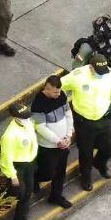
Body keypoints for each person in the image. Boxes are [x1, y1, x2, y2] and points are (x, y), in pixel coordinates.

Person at [60, 54, 111, 192]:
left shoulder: (109, 74)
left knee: (110, 147)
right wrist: (62, 104)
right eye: (98, 72)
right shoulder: (78, 75)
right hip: (84, 121)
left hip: (103, 118)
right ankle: (86, 176)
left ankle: (100, 163)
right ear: (90, 67)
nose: (101, 74)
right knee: (85, 152)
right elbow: (59, 85)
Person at [31, 75, 74, 209]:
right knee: (47, 173)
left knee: (60, 172)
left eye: (59, 91)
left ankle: (56, 196)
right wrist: (57, 141)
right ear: (47, 89)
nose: (59, 94)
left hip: (63, 143)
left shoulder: (62, 96)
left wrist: (68, 135)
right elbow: (40, 127)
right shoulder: (38, 104)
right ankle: (33, 179)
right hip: (48, 146)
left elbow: (68, 114)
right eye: (56, 92)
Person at [70, 14, 111, 102]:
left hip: (106, 78)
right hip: (93, 82)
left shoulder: (110, 44)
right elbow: (76, 69)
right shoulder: (87, 48)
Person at [0, 103, 38, 220]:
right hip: (17, 166)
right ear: (14, 117)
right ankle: (0, 193)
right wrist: (12, 175)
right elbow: (6, 158)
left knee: (28, 192)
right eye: (23, 117)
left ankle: (20, 218)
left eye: (27, 116)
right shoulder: (10, 135)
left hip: (29, 163)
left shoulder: (28, 124)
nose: (27, 119)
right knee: (20, 192)